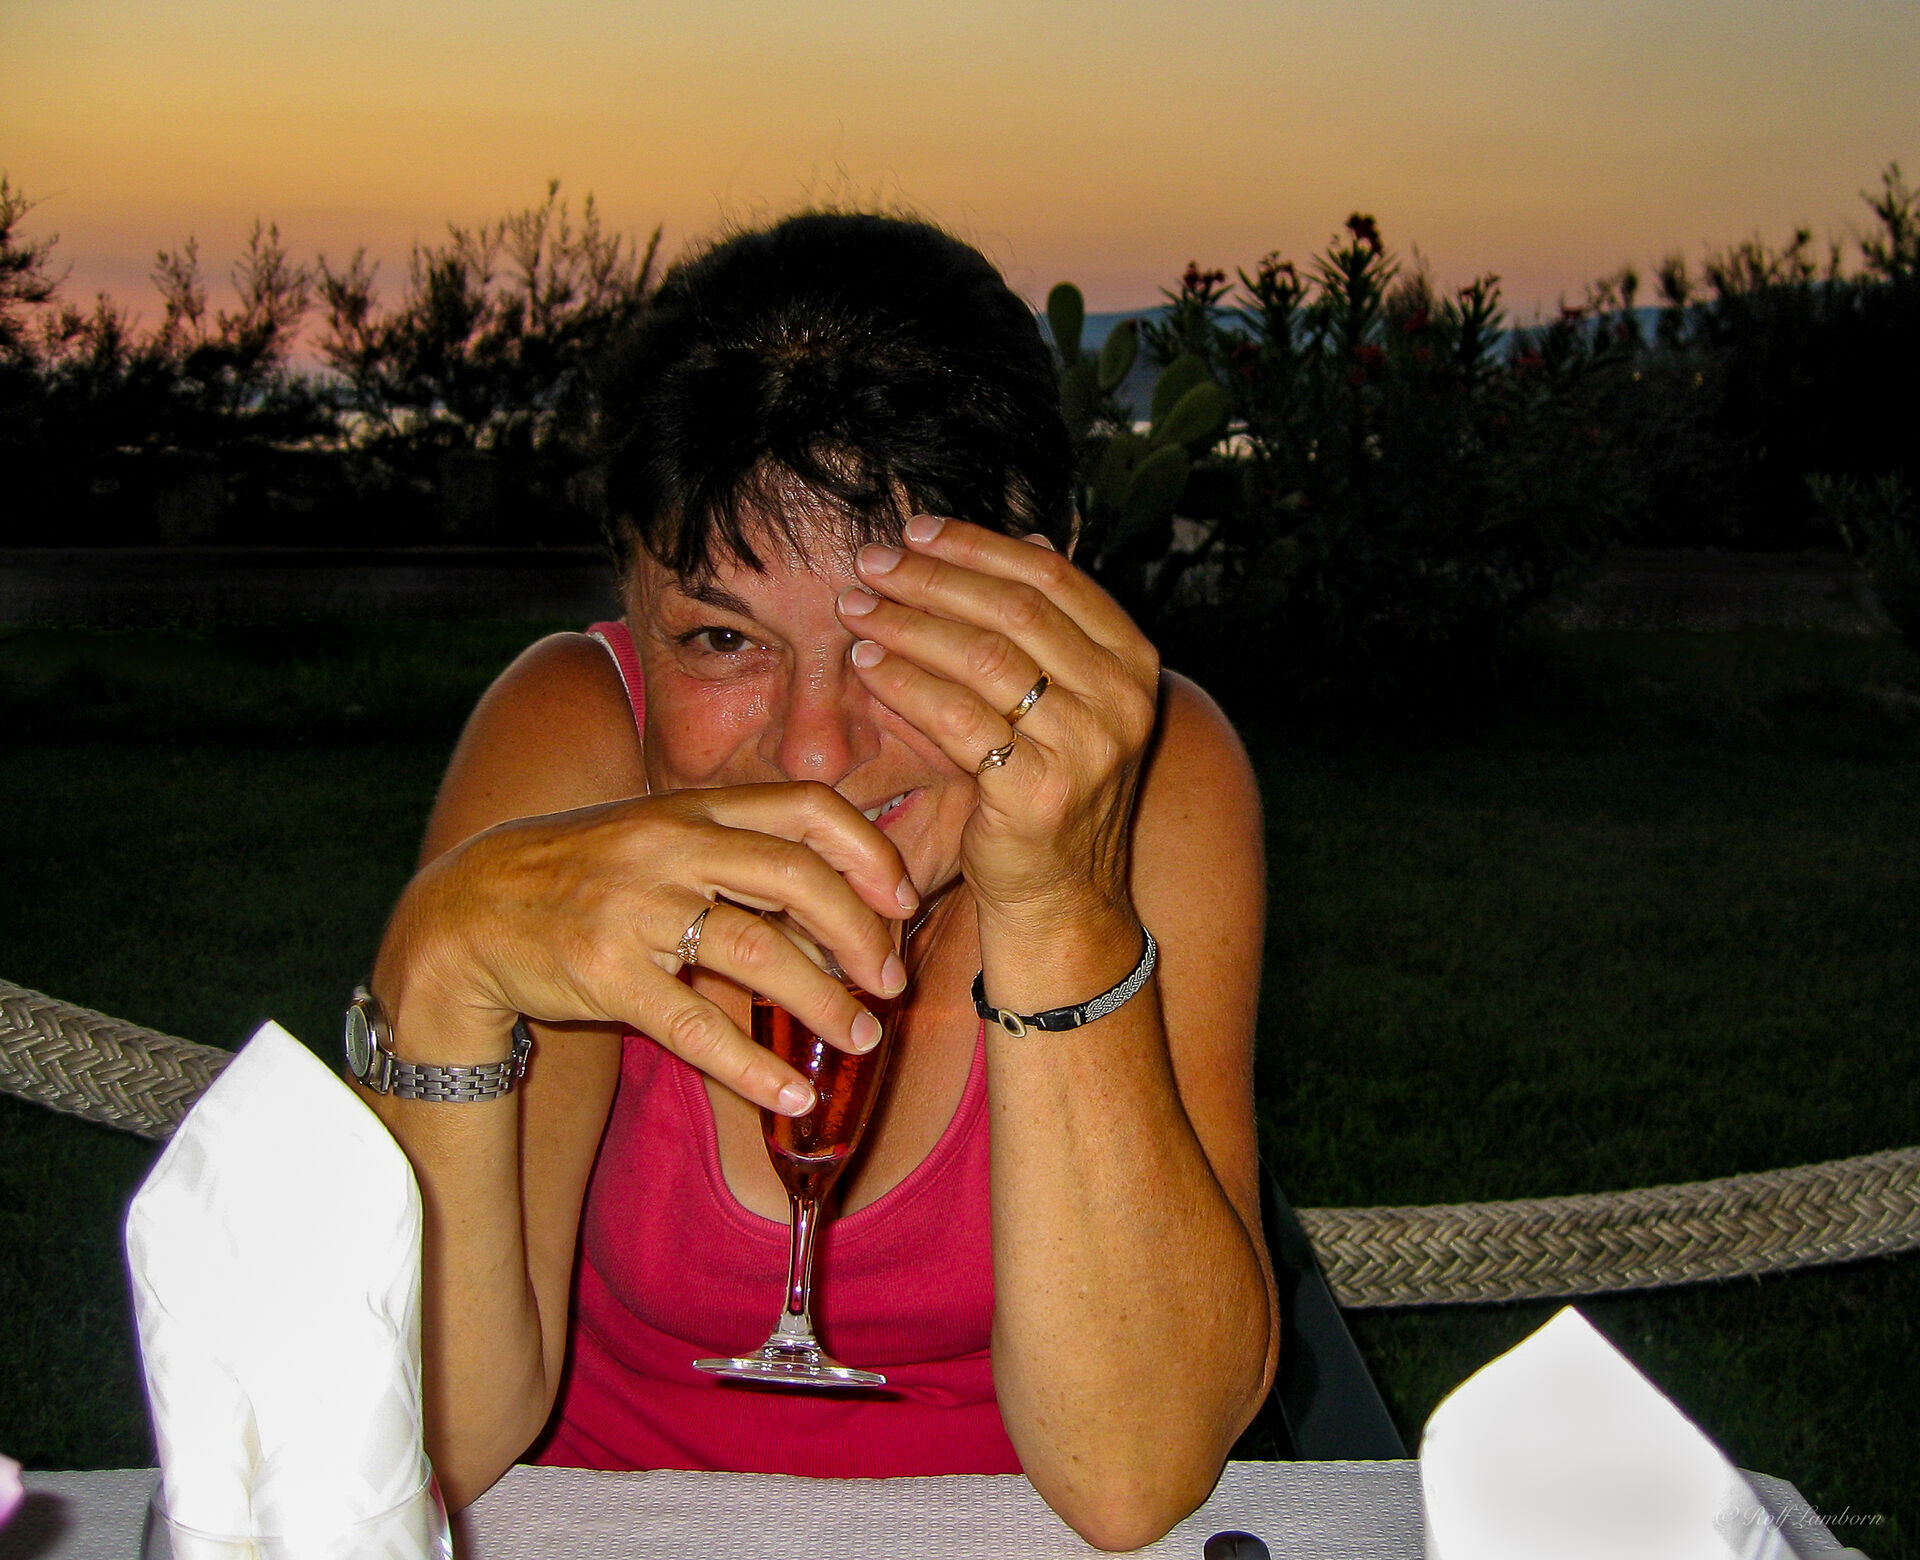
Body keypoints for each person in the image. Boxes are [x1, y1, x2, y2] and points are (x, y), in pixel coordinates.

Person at [355, 211, 1277, 1552]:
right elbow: (431, 1436)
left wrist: (1057, 906)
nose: (814, 750)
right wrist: (441, 970)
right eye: (721, 640)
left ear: (1054, 579)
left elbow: (1134, 1474)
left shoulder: (1155, 778)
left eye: (901, 631)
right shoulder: (574, 748)